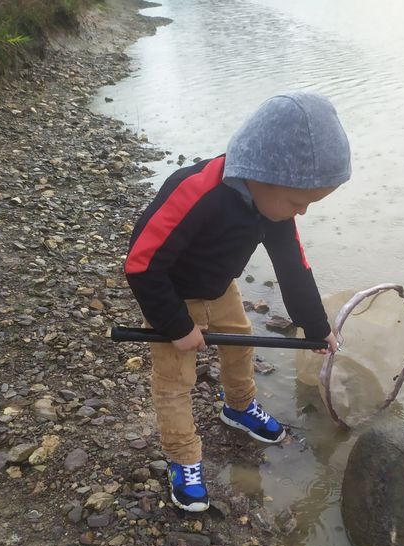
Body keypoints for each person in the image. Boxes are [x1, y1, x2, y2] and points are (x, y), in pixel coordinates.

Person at [124, 91, 351, 512]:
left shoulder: (274, 208)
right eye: (299, 202)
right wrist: (177, 326)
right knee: (176, 384)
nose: (301, 212)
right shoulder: (194, 191)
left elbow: (293, 266)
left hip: (221, 289)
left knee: (241, 347)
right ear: (262, 174)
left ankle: (239, 407)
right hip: (171, 296)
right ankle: (184, 457)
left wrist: (317, 327)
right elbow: (141, 265)